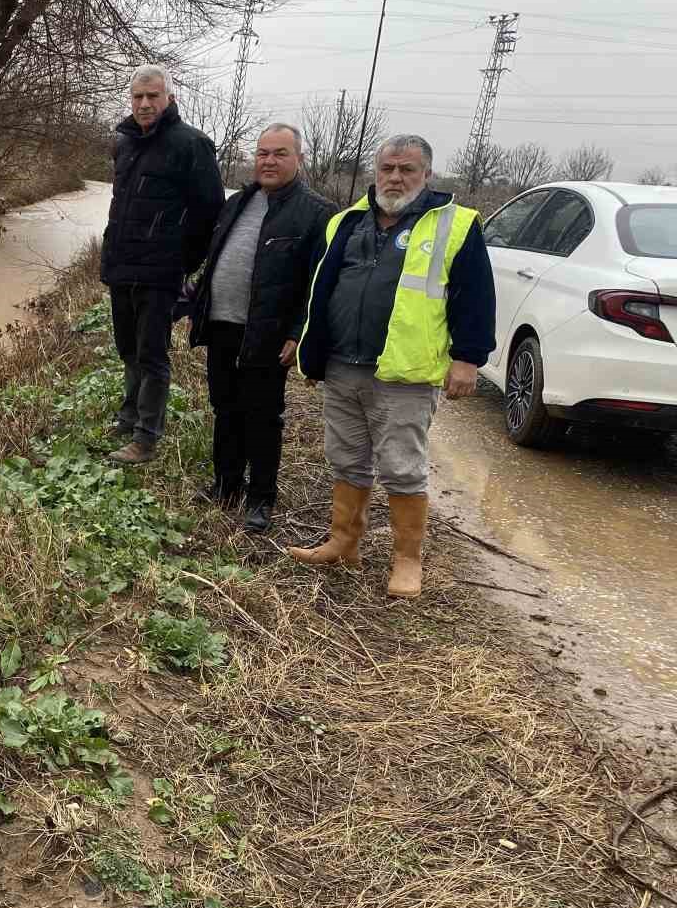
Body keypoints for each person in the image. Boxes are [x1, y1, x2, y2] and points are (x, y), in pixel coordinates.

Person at [285, 135, 496, 598]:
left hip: (403, 373)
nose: (395, 177)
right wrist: (309, 343)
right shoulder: (347, 222)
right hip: (343, 365)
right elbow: (322, 288)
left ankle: (407, 561)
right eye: (387, 168)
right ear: (374, 172)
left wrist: (467, 358)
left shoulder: (454, 226)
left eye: (407, 169)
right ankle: (343, 542)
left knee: (402, 467)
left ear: (427, 176)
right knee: (346, 459)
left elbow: (476, 297)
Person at [187, 124, 330, 534]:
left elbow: (318, 282)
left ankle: (261, 498)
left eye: (280, 153)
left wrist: (299, 331)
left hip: (268, 334)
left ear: (299, 159)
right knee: (225, 408)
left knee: (263, 417)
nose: (268, 160)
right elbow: (215, 260)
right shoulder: (239, 202)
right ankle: (226, 485)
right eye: (263, 153)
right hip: (222, 326)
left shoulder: (316, 212)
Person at [101, 64, 224, 464]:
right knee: (127, 347)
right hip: (122, 266)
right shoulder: (124, 142)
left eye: (153, 96)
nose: (144, 103)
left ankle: (146, 437)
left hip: (160, 273)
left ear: (170, 98)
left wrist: (181, 263)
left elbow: (210, 214)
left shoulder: (193, 145)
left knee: (153, 354)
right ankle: (129, 414)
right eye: (137, 96)